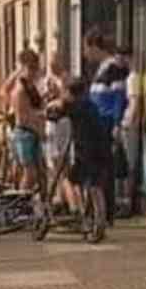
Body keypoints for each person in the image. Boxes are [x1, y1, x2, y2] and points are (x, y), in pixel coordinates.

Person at [47, 77, 113, 234]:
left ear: (70, 93)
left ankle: (79, 213)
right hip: (102, 150)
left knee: (71, 180)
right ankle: (100, 220)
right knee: (95, 186)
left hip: (85, 152)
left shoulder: (72, 105)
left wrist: (55, 103)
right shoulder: (91, 105)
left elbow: (53, 113)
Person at [84, 27, 128, 225]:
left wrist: (117, 124)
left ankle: (106, 212)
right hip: (96, 123)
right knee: (99, 169)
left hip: (105, 124)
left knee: (103, 170)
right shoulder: (102, 67)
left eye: (87, 48)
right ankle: (98, 211)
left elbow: (119, 96)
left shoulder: (113, 67)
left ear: (95, 47)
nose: (85, 54)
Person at [43, 51, 73, 211]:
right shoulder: (50, 79)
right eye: (50, 63)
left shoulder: (65, 79)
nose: (51, 66)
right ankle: (60, 198)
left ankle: (70, 202)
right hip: (53, 124)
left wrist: (57, 96)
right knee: (55, 164)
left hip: (60, 124)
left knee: (59, 163)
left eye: (54, 63)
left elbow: (66, 101)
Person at [10, 49, 44, 191]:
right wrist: (38, 128)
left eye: (35, 68)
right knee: (30, 174)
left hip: (33, 132)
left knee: (38, 173)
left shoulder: (31, 86)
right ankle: (21, 202)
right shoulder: (20, 89)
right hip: (25, 133)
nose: (34, 72)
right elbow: (22, 117)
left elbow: (37, 107)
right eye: (30, 68)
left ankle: (28, 201)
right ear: (23, 67)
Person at [117, 47, 141, 217]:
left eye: (121, 59)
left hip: (129, 126)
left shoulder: (132, 78)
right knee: (128, 163)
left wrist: (126, 124)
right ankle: (127, 200)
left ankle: (127, 202)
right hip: (131, 125)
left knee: (128, 164)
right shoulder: (133, 77)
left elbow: (134, 102)